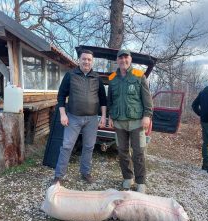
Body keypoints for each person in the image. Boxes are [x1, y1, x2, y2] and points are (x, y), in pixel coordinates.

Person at [53, 49, 107, 184]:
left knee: (89, 147)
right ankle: (59, 176)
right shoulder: (70, 75)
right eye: (84, 59)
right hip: (73, 117)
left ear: (92, 61)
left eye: (89, 59)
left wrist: (104, 116)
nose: (86, 61)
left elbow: (103, 98)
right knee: (66, 146)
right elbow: (61, 96)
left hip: (92, 119)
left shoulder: (97, 78)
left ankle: (85, 172)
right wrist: (63, 114)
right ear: (79, 60)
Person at [108, 49, 153, 193]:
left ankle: (141, 181)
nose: (123, 60)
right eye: (120, 58)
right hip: (119, 121)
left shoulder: (139, 76)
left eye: (126, 58)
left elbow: (147, 99)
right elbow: (111, 101)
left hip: (136, 122)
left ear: (130, 59)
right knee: (122, 151)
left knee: (138, 152)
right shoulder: (112, 78)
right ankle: (128, 177)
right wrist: (110, 116)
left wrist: (147, 115)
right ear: (117, 60)